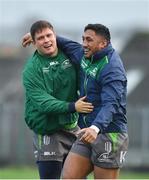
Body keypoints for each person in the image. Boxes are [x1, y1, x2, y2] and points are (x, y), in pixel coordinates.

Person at [22, 23, 129, 179]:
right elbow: (61, 41)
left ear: (103, 44)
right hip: (86, 131)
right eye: (83, 39)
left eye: (89, 40)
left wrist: (96, 127)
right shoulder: (83, 54)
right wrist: (36, 36)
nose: (84, 44)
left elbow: (111, 104)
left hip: (108, 133)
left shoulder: (112, 68)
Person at [22, 20, 94, 179]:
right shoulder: (31, 70)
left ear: (56, 36)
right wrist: (73, 106)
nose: (46, 40)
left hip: (72, 127)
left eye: (49, 35)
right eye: (40, 38)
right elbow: (43, 103)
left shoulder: (69, 54)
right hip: (48, 130)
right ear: (34, 43)